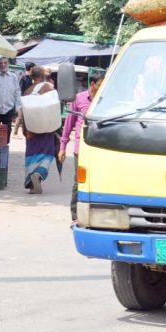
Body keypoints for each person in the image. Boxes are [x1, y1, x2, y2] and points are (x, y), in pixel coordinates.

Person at [59, 70, 105, 222]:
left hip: (100, 149)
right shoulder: (79, 99)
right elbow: (69, 124)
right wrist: (62, 146)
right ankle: (75, 215)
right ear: (92, 84)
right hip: (82, 149)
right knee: (79, 182)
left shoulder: (105, 100)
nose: (103, 87)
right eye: (100, 84)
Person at [22, 66, 58, 194]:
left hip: (31, 130)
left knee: (32, 155)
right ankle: (38, 174)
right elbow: (55, 107)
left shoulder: (27, 92)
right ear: (43, 76)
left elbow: (23, 114)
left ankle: (32, 186)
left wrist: (25, 131)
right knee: (48, 153)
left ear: (32, 77)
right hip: (46, 128)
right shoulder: (48, 88)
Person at [0, 56, 22, 143]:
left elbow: (17, 92)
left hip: (8, 108)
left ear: (8, 64)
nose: (3, 65)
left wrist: (18, 108)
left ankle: (4, 149)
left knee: (6, 133)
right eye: (1, 63)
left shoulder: (13, 77)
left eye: (5, 63)